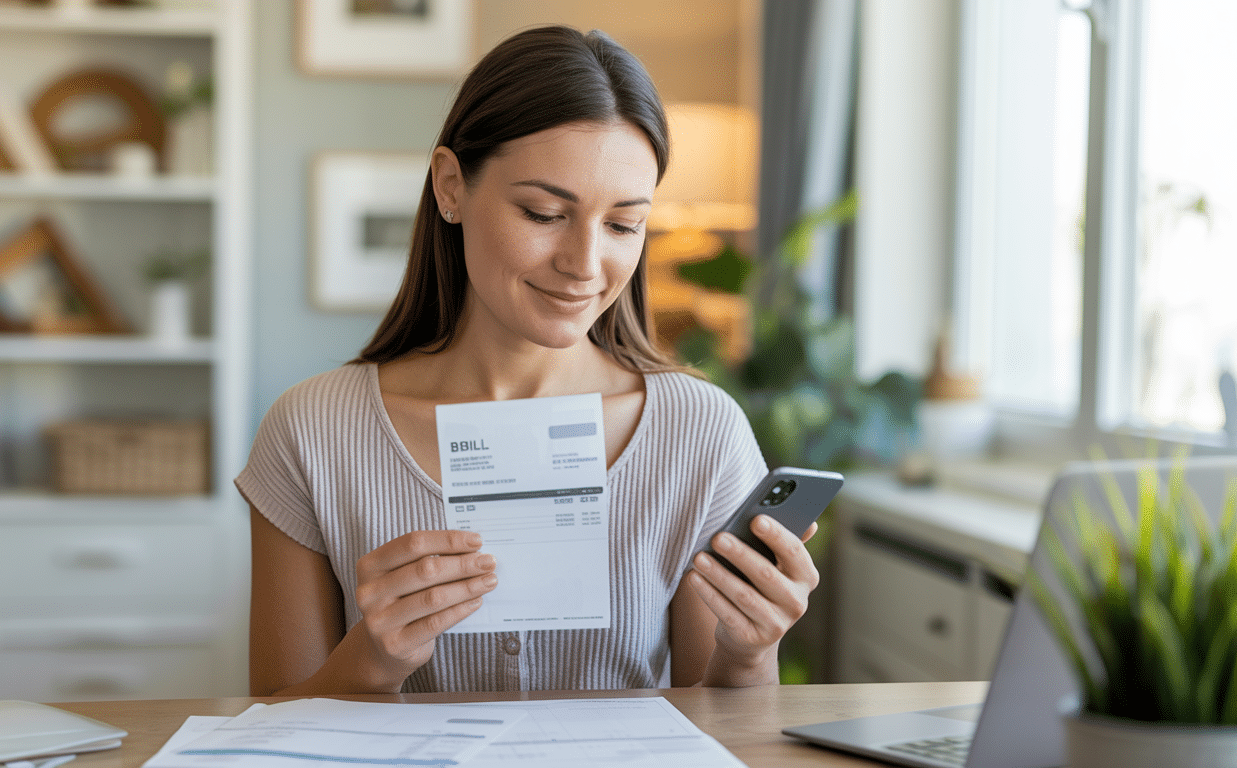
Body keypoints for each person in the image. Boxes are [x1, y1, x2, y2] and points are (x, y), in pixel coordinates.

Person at [237, 25, 820, 696]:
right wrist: (372, 658)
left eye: (624, 225)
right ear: (451, 187)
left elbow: (724, 732)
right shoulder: (311, 431)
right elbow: (272, 730)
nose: (584, 264)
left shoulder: (701, 433)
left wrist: (748, 655)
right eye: (544, 213)